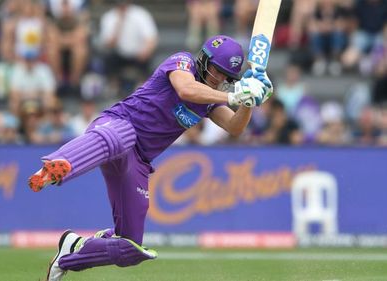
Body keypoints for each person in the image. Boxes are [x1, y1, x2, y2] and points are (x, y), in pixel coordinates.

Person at [28, 35, 273, 281]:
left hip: (139, 161)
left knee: (129, 248)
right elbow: (186, 90)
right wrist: (233, 96)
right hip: (117, 125)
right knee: (121, 137)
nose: (220, 80)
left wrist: (250, 101)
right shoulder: (182, 62)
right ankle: (56, 166)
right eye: (216, 71)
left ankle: (68, 254)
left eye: (226, 78)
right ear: (204, 60)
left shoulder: (209, 101)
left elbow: (235, 127)